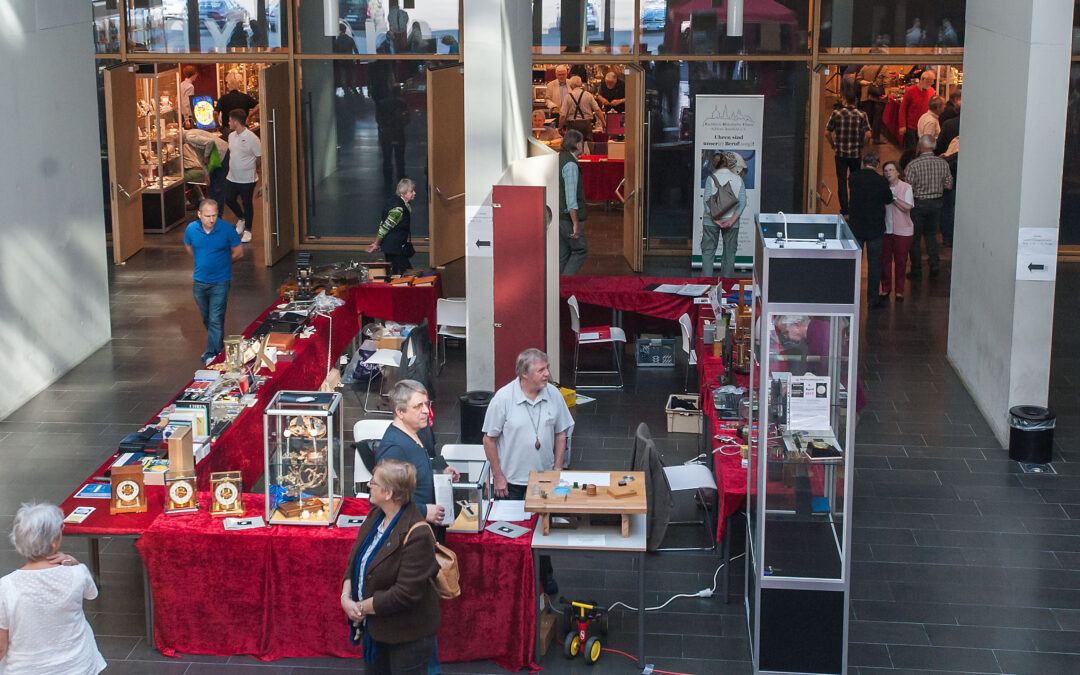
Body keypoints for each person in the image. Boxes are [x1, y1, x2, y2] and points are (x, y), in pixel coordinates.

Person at [341, 460, 439, 675]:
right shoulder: (375, 516)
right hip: (376, 632)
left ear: (389, 493)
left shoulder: (418, 533)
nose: (369, 485)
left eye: (374, 482)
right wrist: (345, 597)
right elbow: (355, 561)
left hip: (406, 637)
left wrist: (360, 608)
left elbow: (405, 593)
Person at [0, 503, 106, 675]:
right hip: (78, 666)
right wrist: (75, 563)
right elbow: (91, 593)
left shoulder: (5, 586)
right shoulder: (78, 573)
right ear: (53, 543)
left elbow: (1, 646)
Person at [482, 348, 574, 500]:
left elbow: (560, 434)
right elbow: (488, 440)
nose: (547, 373)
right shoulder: (503, 398)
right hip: (510, 482)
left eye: (547, 368)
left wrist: (557, 470)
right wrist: (497, 476)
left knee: (542, 516)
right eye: (541, 370)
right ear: (525, 374)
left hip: (544, 479)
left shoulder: (554, 394)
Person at [375, 380, 459, 526]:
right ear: (400, 412)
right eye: (418, 406)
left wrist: (439, 473)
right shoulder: (395, 449)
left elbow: (415, 471)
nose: (426, 410)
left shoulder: (415, 432)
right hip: (410, 533)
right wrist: (424, 511)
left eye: (426, 404)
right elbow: (383, 498)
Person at [183, 199, 242, 364]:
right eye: (207, 216)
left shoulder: (227, 229)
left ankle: (211, 354)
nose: (211, 219)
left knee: (215, 318)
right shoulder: (191, 229)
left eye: (214, 215)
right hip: (199, 281)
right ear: (199, 214)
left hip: (221, 281)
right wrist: (201, 262)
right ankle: (220, 349)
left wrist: (223, 263)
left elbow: (238, 253)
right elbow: (189, 247)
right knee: (207, 317)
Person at [846, 151, 893, 308]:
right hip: (875, 228)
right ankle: (872, 299)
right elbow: (888, 199)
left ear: (863, 163)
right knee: (874, 264)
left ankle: (850, 297)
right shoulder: (881, 181)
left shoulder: (853, 178)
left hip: (857, 227)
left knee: (854, 263)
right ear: (877, 164)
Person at [905, 135, 954, 279]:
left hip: (918, 204)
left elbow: (908, 188)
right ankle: (934, 264)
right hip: (937, 204)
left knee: (915, 238)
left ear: (920, 146)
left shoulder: (913, 165)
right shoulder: (943, 164)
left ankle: (916, 269)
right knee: (931, 235)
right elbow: (949, 185)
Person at [824, 80, 870, 216]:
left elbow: (827, 133)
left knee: (842, 181)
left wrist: (833, 145)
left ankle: (844, 209)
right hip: (855, 153)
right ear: (855, 100)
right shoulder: (862, 115)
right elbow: (868, 134)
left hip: (840, 154)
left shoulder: (836, 114)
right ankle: (854, 206)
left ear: (844, 100)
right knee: (855, 181)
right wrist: (862, 144)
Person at [701, 151, 747, 278]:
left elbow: (706, 201)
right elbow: (743, 202)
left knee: (708, 252)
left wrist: (716, 220)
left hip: (710, 221)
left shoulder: (711, 179)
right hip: (732, 221)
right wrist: (732, 220)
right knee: (729, 253)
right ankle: (727, 284)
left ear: (713, 165)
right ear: (727, 163)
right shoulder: (738, 179)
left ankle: (706, 283)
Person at [224, 109, 262, 243]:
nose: (228, 123)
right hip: (232, 176)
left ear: (236, 122)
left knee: (247, 203)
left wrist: (253, 168)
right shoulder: (231, 136)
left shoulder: (252, 138)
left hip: (248, 179)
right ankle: (241, 218)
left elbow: (259, 156)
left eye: (230, 120)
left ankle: (248, 230)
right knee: (228, 199)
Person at [880, 161, 914, 302]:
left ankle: (899, 291)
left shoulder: (906, 187)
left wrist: (893, 197)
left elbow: (907, 207)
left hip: (903, 231)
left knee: (901, 261)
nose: (888, 173)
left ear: (898, 172)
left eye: (891, 170)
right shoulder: (882, 188)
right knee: (885, 261)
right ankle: (885, 288)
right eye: (886, 170)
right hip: (886, 229)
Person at [367, 178, 416, 275]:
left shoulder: (395, 201)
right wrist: (376, 243)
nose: (414, 193)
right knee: (407, 273)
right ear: (403, 194)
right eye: (411, 191)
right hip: (394, 248)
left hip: (393, 247)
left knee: (396, 273)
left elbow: (383, 223)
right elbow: (384, 228)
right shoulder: (398, 209)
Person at [558, 129, 588, 275]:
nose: (583, 145)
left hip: (558, 215)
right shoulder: (571, 165)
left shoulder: (560, 158)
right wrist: (575, 223)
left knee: (563, 254)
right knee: (580, 250)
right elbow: (571, 198)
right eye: (582, 142)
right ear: (577, 144)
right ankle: (567, 281)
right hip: (567, 218)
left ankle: (559, 285)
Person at [183, 128, 230, 207]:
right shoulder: (190, 135)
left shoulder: (189, 137)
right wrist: (206, 173)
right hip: (220, 154)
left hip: (221, 155)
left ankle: (216, 211)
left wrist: (206, 156)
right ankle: (214, 210)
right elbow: (199, 154)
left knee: (217, 187)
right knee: (215, 187)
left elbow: (210, 142)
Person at [375, 84, 410, 188]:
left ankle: (387, 178)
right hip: (398, 133)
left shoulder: (382, 103)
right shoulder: (402, 103)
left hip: (386, 134)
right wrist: (400, 124)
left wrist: (384, 126)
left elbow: (378, 118)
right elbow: (407, 119)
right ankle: (400, 176)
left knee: (387, 157)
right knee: (400, 157)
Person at [898, 70, 936, 153]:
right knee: (910, 150)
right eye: (929, 81)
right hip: (911, 126)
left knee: (922, 151)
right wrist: (902, 125)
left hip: (924, 126)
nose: (931, 84)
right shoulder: (910, 91)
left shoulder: (932, 91)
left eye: (932, 81)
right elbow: (903, 109)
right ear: (923, 79)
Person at [856, 63, 888, 144]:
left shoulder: (865, 66)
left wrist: (868, 83)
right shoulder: (884, 67)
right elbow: (886, 83)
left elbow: (858, 79)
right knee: (877, 117)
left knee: (867, 117)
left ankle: (863, 137)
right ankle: (875, 138)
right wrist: (886, 94)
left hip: (866, 95)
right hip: (878, 96)